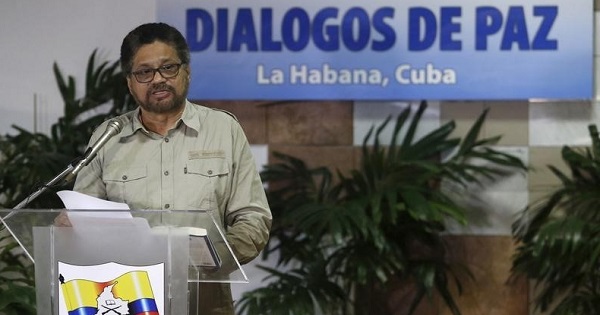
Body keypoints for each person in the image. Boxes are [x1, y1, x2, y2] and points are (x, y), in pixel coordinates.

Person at [72, 22, 272, 315]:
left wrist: (213, 258)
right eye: (144, 72)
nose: (158, 79)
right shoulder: (108, 136)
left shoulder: (223, 129)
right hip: (129, 300)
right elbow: (85, 217)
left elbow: (252, 217)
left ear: (186, 72)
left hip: (205, 300)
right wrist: (73, 226)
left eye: (168, 68)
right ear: (130, 82)